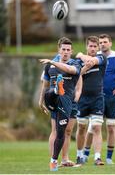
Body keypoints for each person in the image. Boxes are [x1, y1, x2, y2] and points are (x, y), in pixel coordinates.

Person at [82, 33, 115, 165]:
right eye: (100, 42)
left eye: (105, 42)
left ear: (110, 43)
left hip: (112, 98)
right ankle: (85, 155)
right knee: (92, 127)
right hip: (96, 98)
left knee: (111, 128)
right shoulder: (95, 57)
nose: (102, 44)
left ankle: (108, 158)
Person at [38, 37, 81, 171]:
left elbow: (71, 71)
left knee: (63, 132)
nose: (66, 52)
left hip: (67, 102)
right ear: (59, 50)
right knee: (55, 131)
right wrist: (40, 101)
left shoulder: (75, 64)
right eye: (63, 49)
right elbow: (44, 84)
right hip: (52, 101)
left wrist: (53, 62)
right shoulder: (49, 66)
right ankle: (56, 90)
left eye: (68, 50)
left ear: (71, 51)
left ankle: (56, 160)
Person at [75, 36, 107, 165]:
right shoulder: (77, 61)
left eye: (95, 46)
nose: (93, 48)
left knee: (97, 127)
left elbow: (93, 60)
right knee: (81, 127)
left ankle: (97, 158)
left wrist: (83, 56)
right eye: (90, 46)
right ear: (86, 46)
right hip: (82, 99)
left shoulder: (102, 58)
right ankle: (79, 156)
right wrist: (83, 64)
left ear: (98, 48)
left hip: (97, 98)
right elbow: (76, 74)